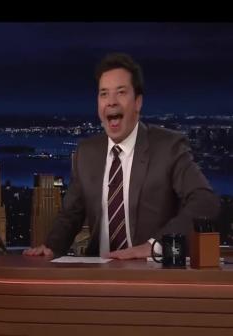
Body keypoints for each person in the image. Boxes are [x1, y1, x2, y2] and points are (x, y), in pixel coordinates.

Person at [24, 52, 220, 260]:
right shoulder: (86, 153)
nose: (111, 102)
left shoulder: (168, 146)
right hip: (98, 270)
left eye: (121, 92)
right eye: (104, 94)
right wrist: (51, 247)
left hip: (150, 269)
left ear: (138, 102)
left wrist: (155, 246)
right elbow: (70, 215)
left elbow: (206, 202)